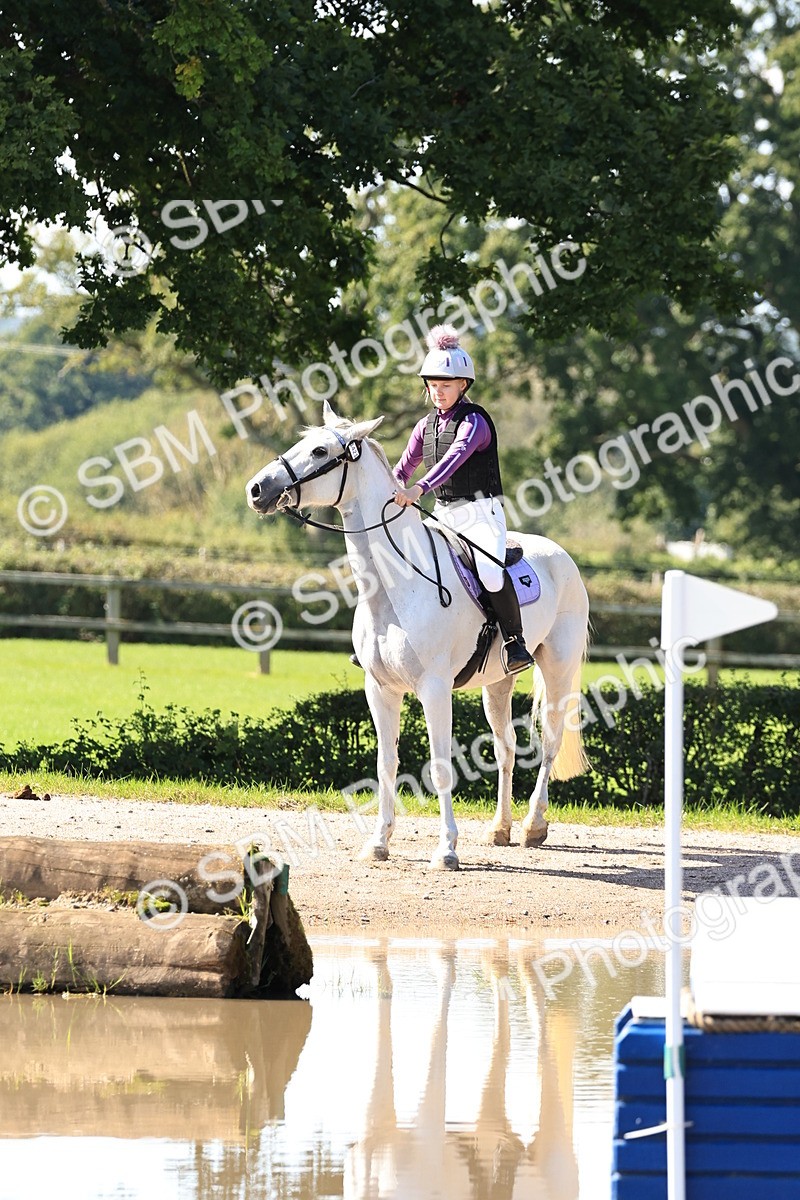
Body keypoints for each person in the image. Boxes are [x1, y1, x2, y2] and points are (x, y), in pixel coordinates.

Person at [390, 324, 535, 674]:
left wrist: (417, 490)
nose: (438, 392)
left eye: (446, 386)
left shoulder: (475, 423)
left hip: (481, 514)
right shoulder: (424, 427)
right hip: (442, 513)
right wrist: (389, 490)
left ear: (463, 385)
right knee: (397, 558)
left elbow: (454, 457)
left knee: (489, 572)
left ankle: (516, 642)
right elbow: (403, 466)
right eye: (433, 386)